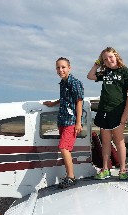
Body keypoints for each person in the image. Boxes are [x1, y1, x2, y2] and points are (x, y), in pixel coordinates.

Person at [87, 47, 128, 180]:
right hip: (103, 111)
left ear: (116, 56)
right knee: (106, 142)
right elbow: (90, 76)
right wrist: (97, 64)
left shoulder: (126, 71)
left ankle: (123, 170)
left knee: (119, 141)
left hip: (117, 111)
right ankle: (105, 169)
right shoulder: (106, 72)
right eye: (105, 59)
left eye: (110, 57)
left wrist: (125, 114)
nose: (109, 60)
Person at [43, 57, 84, 189]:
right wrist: (53, 103)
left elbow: (79, 102)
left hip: (71, 121)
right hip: (63, 120)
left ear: (69, 68)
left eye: (63, 67)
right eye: (58, 68)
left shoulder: (75, 83)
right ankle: (69, 175)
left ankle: (71, 177)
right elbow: (65, 99)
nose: (60, 70)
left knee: (63, 147)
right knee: (65, 148)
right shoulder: (63, 83)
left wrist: (78, 122)